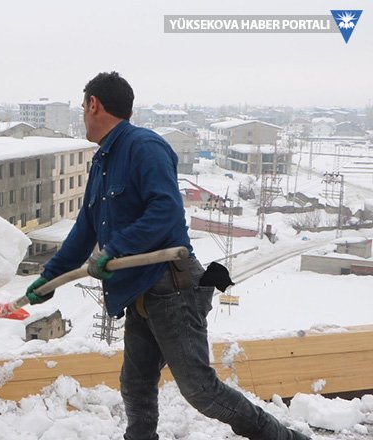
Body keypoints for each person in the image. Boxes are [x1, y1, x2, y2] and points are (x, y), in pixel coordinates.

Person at [25, 72, 308, 440]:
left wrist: (115, 250)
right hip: (140, 292)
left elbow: (166, 210)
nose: (82, 114)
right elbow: (85, 229)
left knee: (201, 391)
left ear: (94, 104)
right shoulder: (102, 163)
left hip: (174, 288)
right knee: (136, 383)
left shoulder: (145, 147)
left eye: (83, 107)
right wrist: (50, 278)